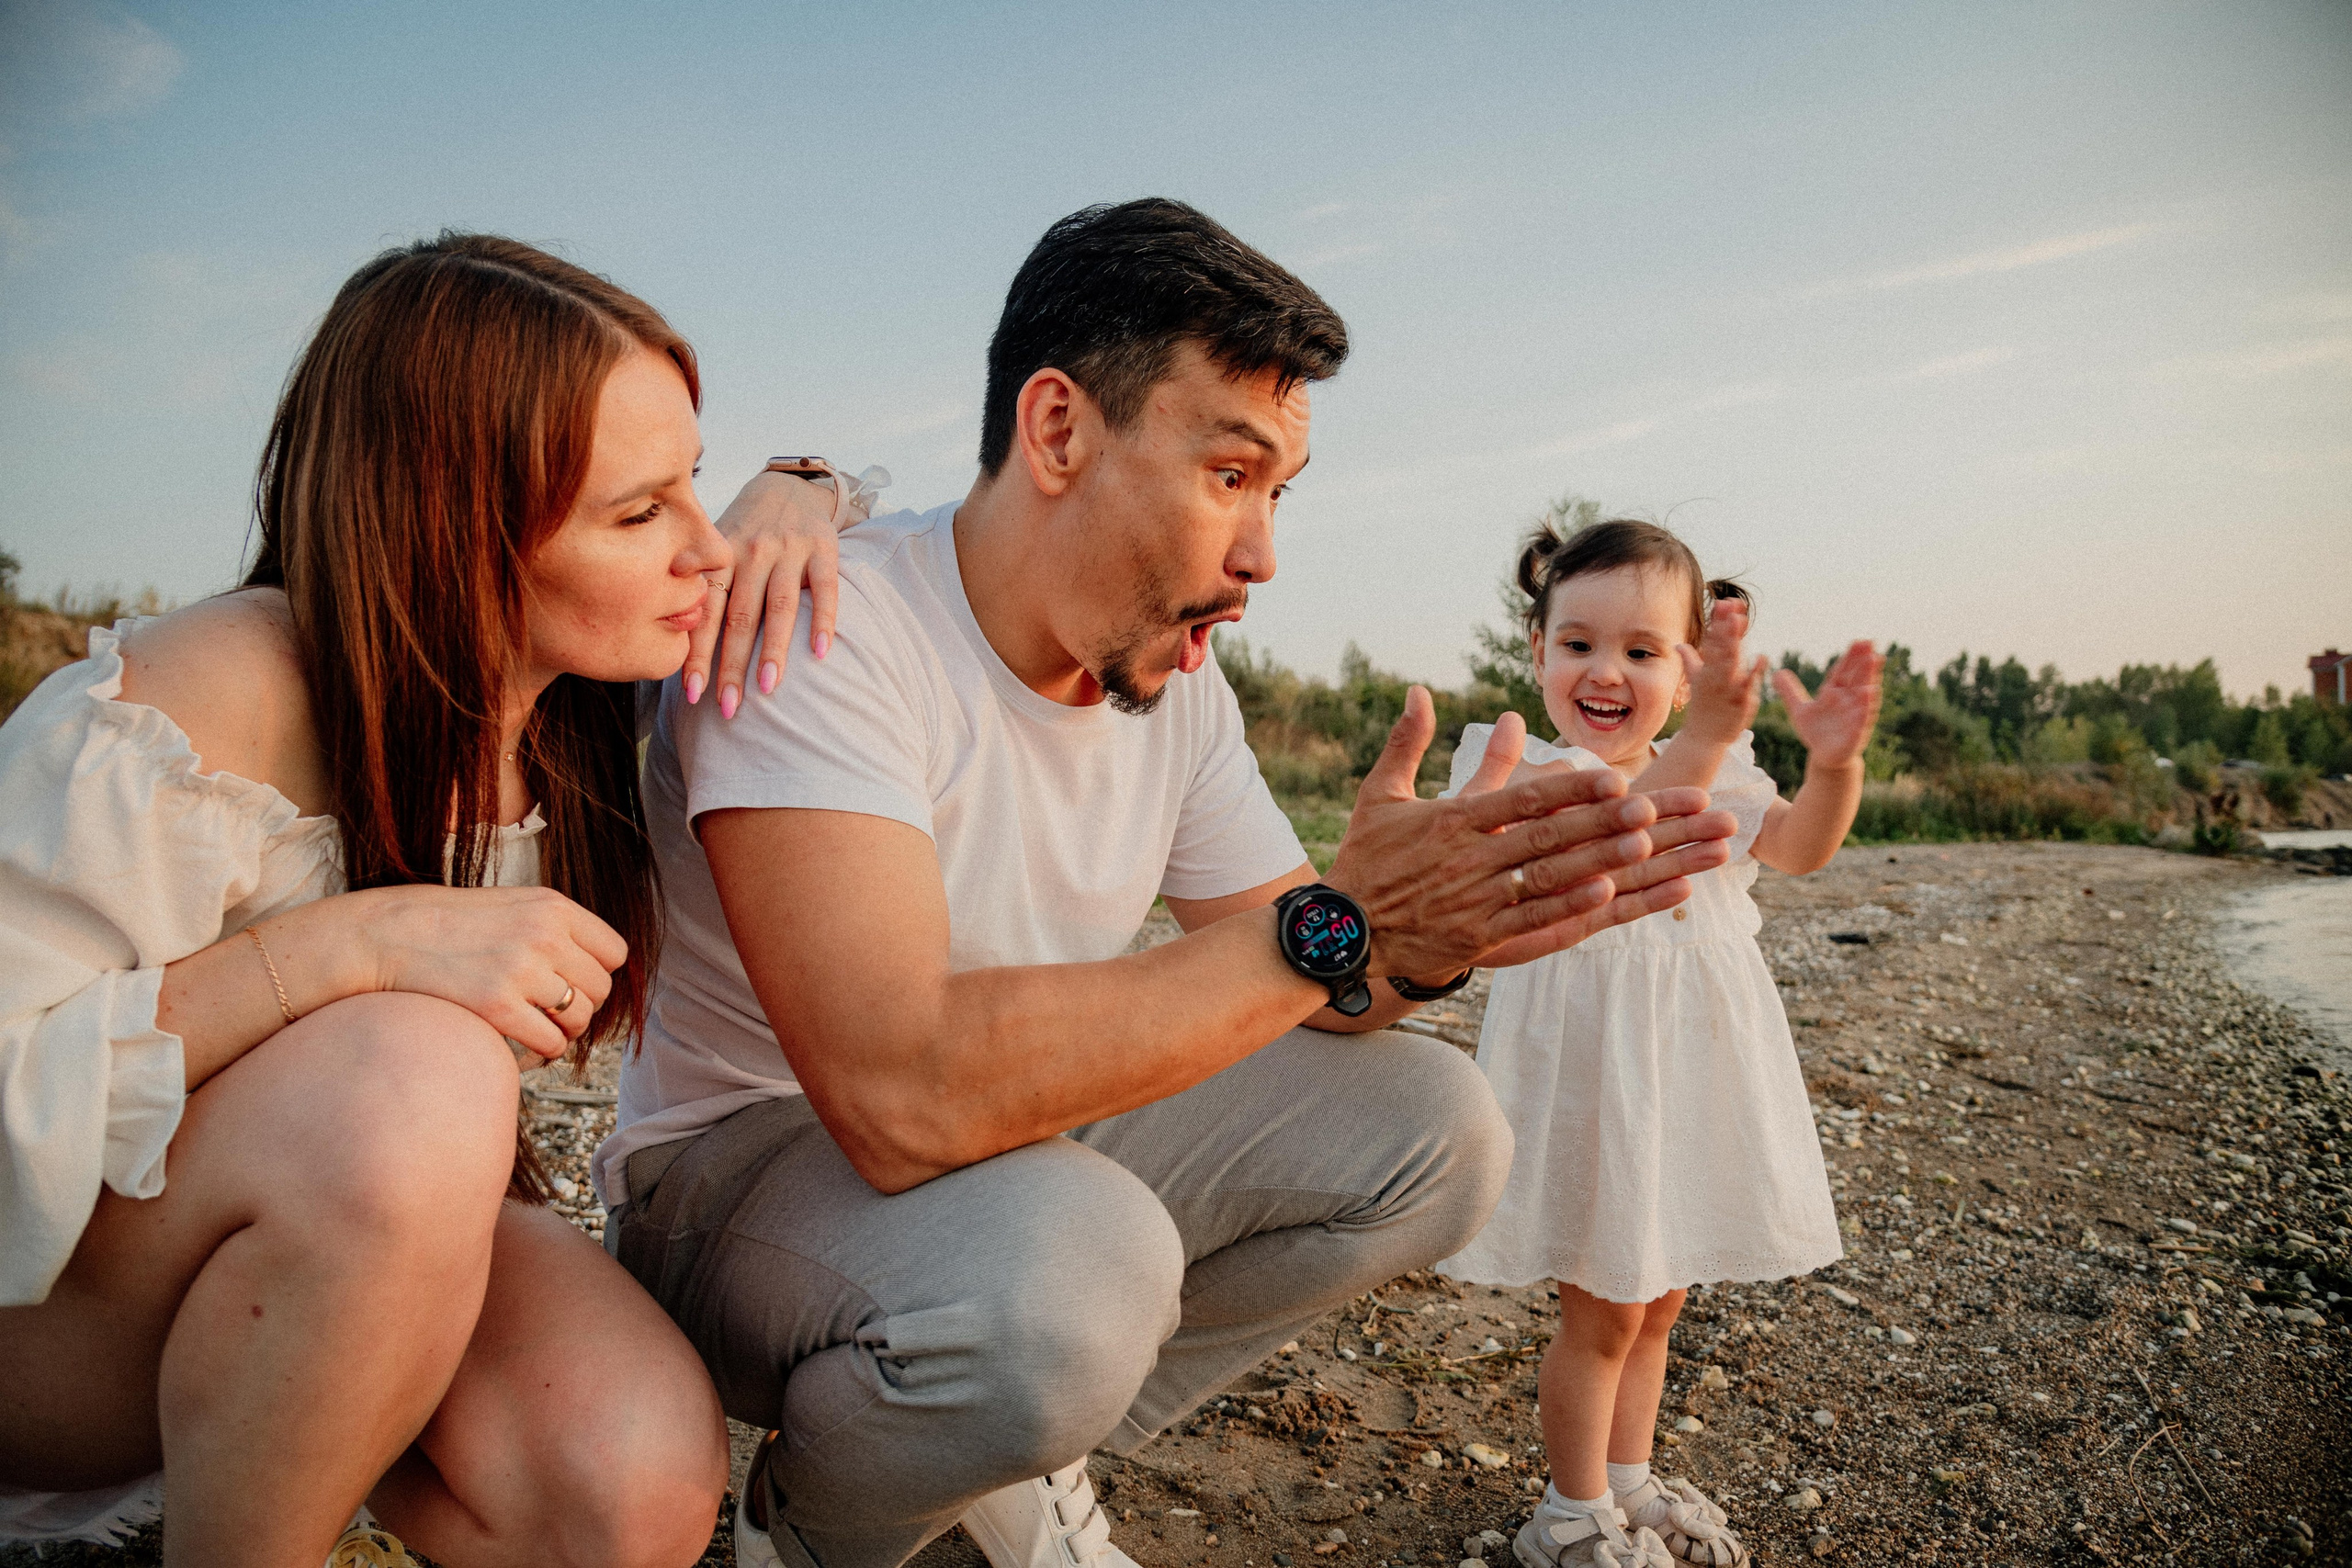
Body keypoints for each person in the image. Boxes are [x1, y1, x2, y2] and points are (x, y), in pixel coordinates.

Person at [594, 198, 1741, 1568]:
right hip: (741, 1176)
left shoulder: (1175, 686)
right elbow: (897, 1093)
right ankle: (821, 1524)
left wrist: (1431, 933)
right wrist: (1344, 925)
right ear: (1061, 429)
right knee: (1080, 1271)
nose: (1262, 552)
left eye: (1279, 493)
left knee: (1439, 1124)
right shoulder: (834, 626)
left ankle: (1004, 1441)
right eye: (1230, 474)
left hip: (1025, 1160)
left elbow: (1324, 982)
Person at [0, 232, 860, 1567]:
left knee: (625, 1478)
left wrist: (803, 484)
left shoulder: (572, 699)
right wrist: (355, 943)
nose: (705, 548)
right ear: (456, 528)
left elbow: (789, 526)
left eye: (696, 482)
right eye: (640, 514)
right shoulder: (213, 697)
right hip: (42, 1325)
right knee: (421, 1075)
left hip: (299, 1265)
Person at [1433, 519, 1884, 1568]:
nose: (1606, 671)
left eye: (1642, 651)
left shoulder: (1722, 768)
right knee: (1599, 1307)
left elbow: (1804, 849)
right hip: (1592, 1085)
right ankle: (1567, 1511)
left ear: (1686, 675)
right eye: (1579, 642)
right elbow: (1616, 825)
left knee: (1657, 1300)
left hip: (1688, 1078)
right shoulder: (1516, 768)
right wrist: (1707, 738)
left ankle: (1627, 1484)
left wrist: (1835, 765)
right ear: (1537, 653)